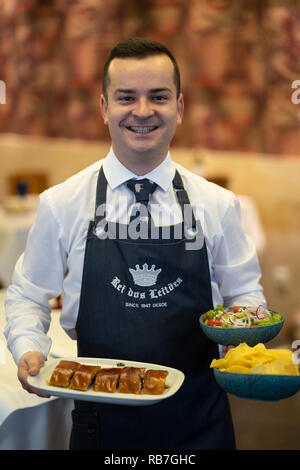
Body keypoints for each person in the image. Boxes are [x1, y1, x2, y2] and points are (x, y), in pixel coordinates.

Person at [4, 37, 266, 450]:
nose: (143, 111)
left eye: (158, 97)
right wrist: (29, 349)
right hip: (101, 424)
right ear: (104, 107)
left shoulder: (217, 204)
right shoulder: (62, 204)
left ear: (179, 108)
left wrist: (242, 333)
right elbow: (27, 296)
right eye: (127, 97)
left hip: (199, 422)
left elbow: (245, 294)